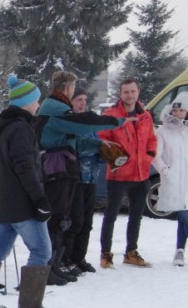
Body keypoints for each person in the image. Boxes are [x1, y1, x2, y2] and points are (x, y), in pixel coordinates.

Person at [0, 74, 60, 308]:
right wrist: (40, 200)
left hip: (3, 203)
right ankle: (30, 307)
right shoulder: (20, 128)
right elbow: (25, 167)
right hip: (22, 203)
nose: (38, 104)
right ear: (26, 102)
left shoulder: (1, 127)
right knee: (41, 250)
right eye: (36, 100)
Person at [35, 71, 121, 285]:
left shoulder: (57, 107)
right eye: (75, 90)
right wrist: (115, 121)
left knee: (63, 220)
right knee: (57, 220)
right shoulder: (57, 109)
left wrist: (99, 144)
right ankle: (47, 268)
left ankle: (55, 266)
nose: (80, 101)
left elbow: (76, 140)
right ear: (68, 88)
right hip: (57, 168)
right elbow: (85, 124)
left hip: (65, 168)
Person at [97, 78, 159, 268]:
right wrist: (116, 160)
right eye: (126, 92)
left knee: (136, 216)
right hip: (118, 176)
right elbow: (102, 140)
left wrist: (149, 156)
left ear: (138, 92)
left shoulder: (145, 115)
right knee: (111, 216)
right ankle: (105, 254)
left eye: (133, 91)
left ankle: (131, 252)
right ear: (120, 94)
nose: (130, 95)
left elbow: (151, 139)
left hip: (141, 174)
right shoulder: (111, 115)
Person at [66, 88, 111, 273]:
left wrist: (106, 153)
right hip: (75, 178)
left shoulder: (89, 123)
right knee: (75, 221)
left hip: (91, 177)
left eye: (84, 99)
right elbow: (77, 148)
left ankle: (79, 257)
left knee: (87, 222)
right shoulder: (69, 122)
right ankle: (66, 258)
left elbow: (96, 146)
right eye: (78, 99)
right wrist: (97, 146)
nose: (82, 103)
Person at [153, 92, 188, 266]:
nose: (177, 113)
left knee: (184, 217)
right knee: (184, 214)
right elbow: (155, 155)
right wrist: (166, 171)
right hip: (175, 180)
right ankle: (179, 251)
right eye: (175, 110)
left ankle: (179, 250)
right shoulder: (163, 131)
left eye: (181, 110)